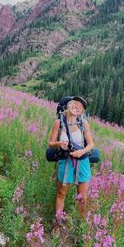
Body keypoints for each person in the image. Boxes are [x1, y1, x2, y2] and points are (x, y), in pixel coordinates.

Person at [48, 96, 94, 228]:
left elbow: (91, 144)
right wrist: (58, 143)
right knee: (61, 193)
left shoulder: (83, 123)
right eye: (75, 103)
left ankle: (80, 225)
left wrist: (81, 152)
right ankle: (57, 222)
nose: (77, 106)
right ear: (68, 105)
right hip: (65, 161)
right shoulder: (58, 123)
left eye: (81, 106)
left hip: (83, 161)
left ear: (82, 111)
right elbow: (50, 144)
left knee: (82, 197)